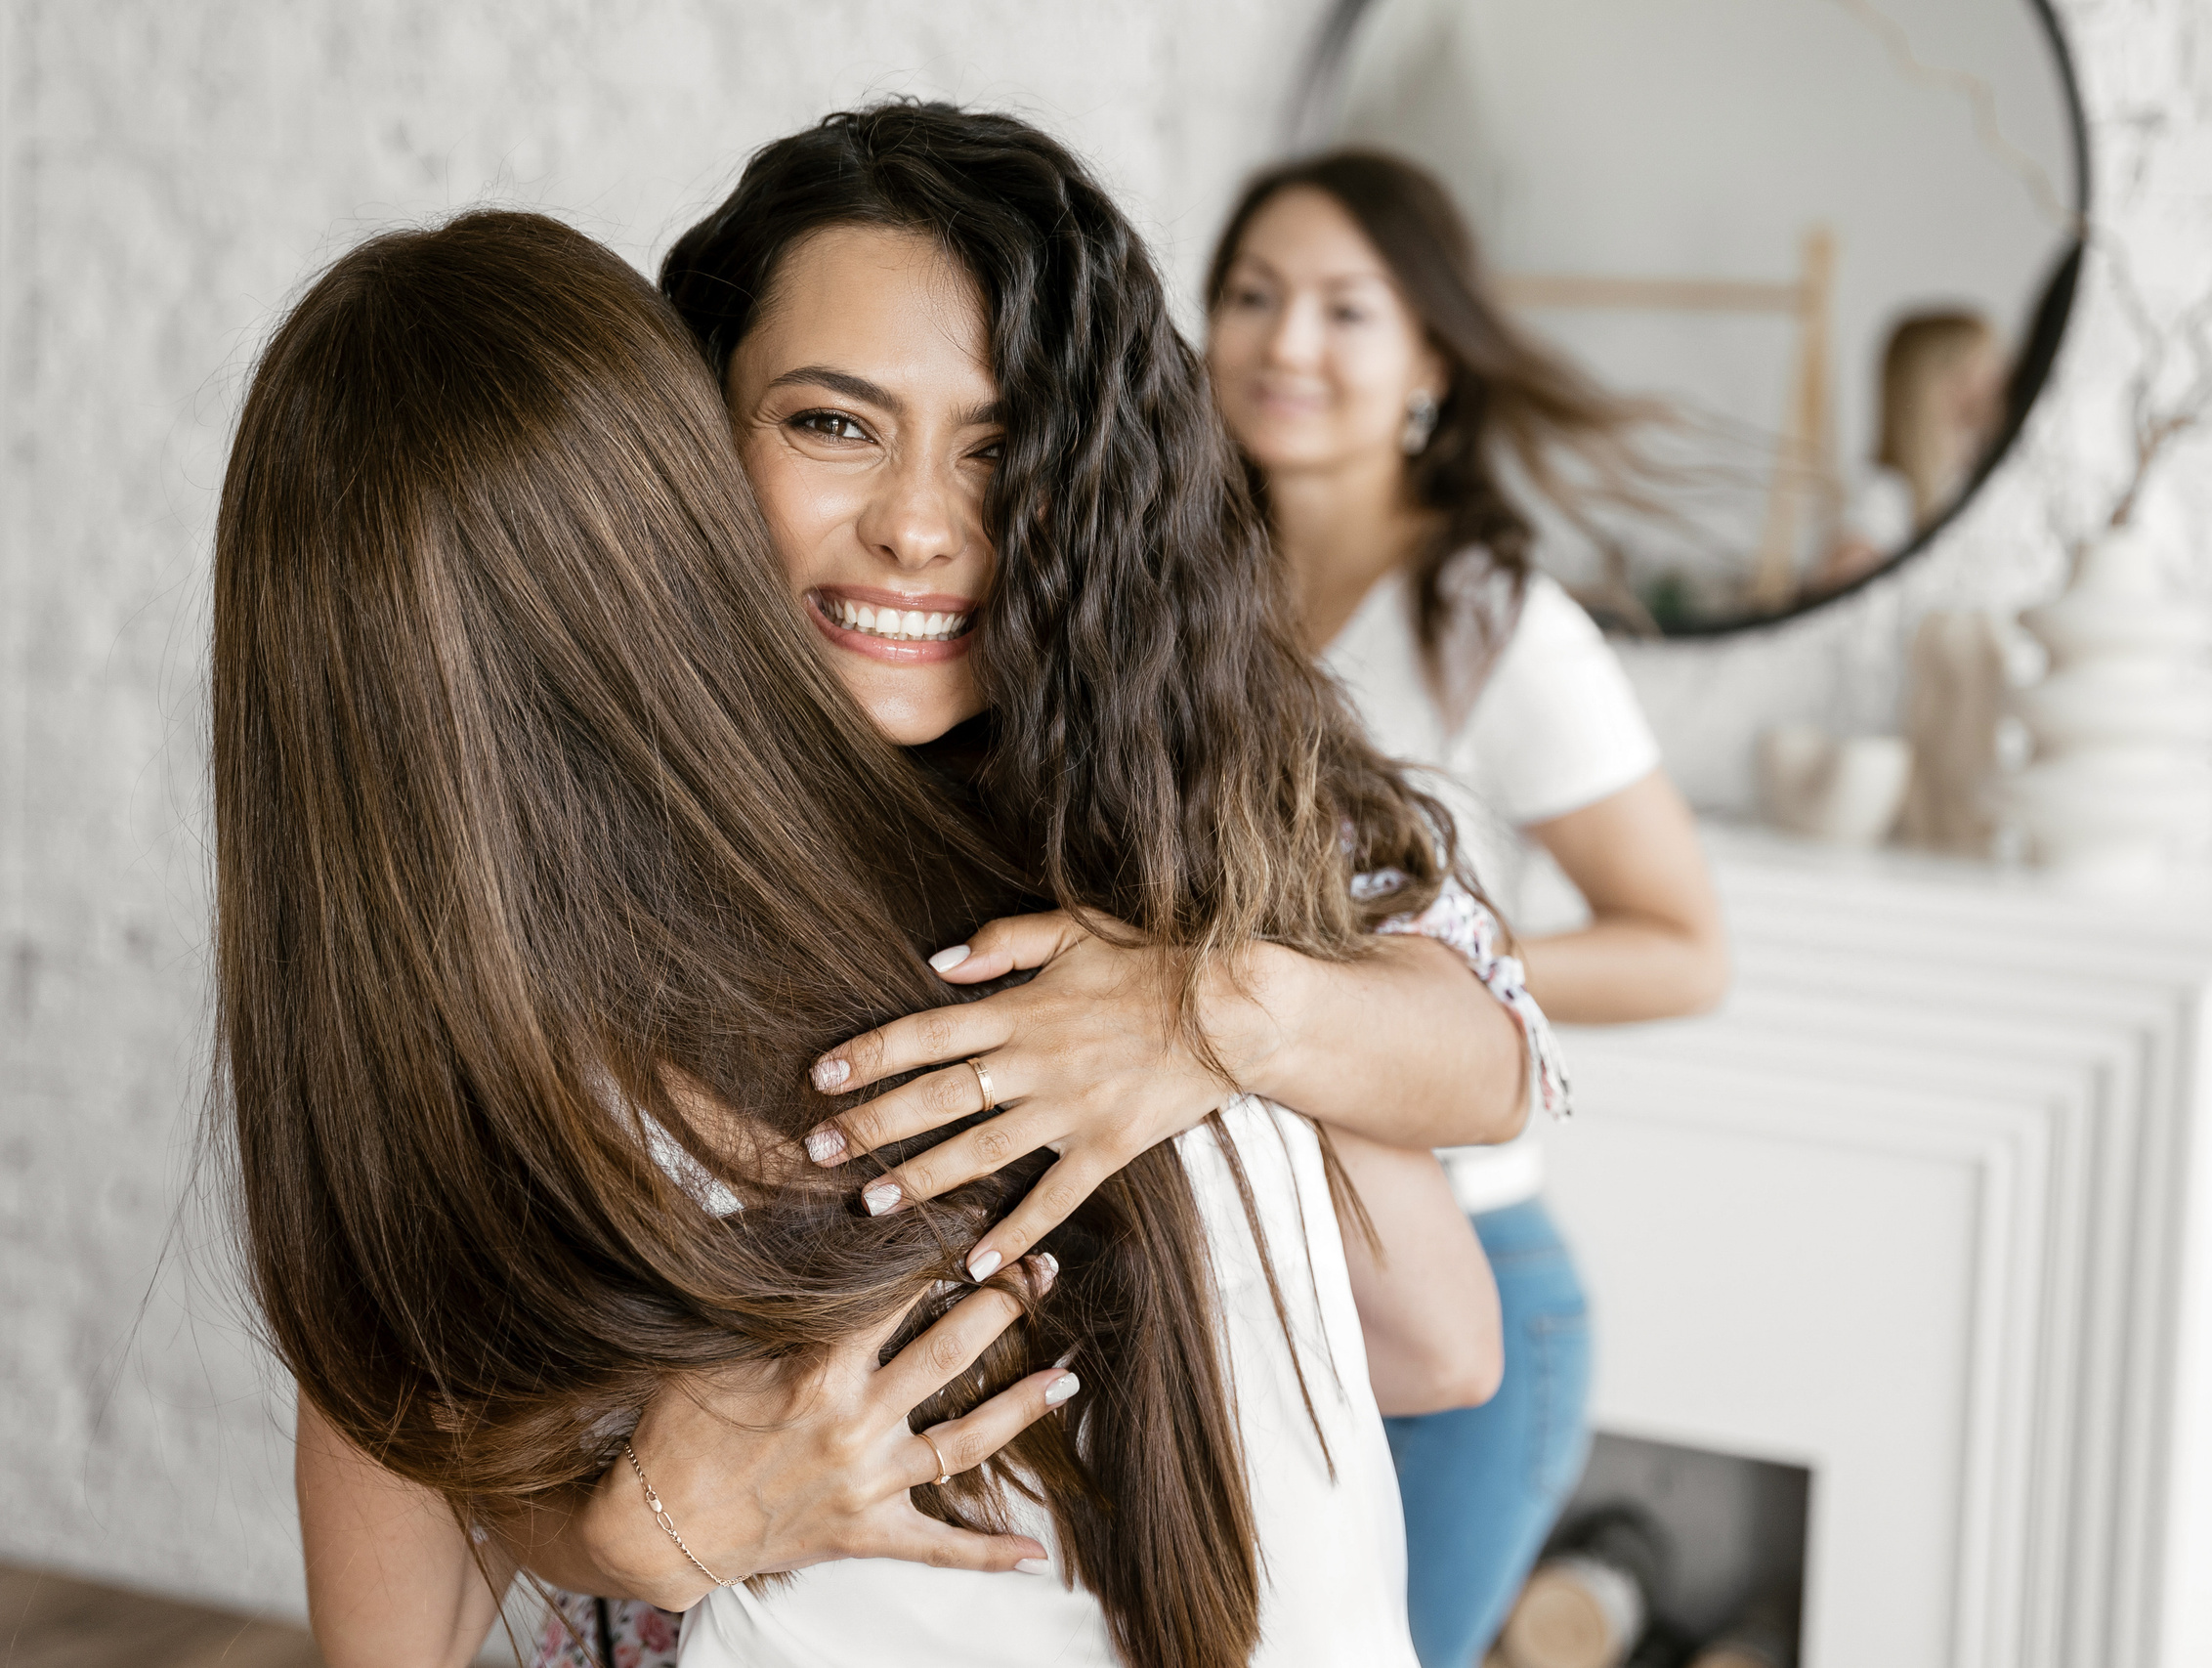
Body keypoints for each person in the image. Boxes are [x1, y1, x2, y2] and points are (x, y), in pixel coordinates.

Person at [238, 104, 1536, 1668]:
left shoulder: (1166, 817)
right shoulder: (559, 917)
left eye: (998, 448)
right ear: (695, 440)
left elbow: (1455, 1275)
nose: (921, 527)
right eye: (830, 424)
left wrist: (1216, 1009)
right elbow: (417, 1413)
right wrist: (615, 1523)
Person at [1203, 150, 1731, 1668]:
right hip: (1268, 1265)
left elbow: (1684, 944)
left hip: (1475, 1297)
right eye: (1252, 294)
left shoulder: (1498, 623)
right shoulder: (1187, 594)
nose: (1285, 341)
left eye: (1345, 309)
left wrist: (1384, 992)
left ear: (1430, 357)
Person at [1815, 309, 2007, 592]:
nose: (2004, 378)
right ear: (1950, 384)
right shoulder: (1884, 497)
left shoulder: (1961, 482)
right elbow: (1839, 581)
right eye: (1991, 363)